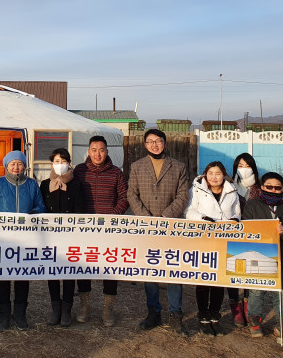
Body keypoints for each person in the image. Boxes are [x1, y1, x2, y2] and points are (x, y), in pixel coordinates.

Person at [127, 129, 190, 336]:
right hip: (147, 228)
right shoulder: (137, 167)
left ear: (165, 143)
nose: (155, 145)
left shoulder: (178, 167)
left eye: (158, 141)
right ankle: (153, 312)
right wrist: (146, 218)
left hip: (171, 227)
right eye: (150, 141)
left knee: (174, 270)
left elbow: (183, 196)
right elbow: (132, 194)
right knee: (150, 270)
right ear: (145, 145)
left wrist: (165, 217)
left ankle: (175, 314)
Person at [0, 150, 46, 331]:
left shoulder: (32, 184)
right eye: (12, 164)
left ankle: (20, 314)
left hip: (26, 238)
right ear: (6, 166)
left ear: (25, 166)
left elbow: (41, 206)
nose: (16, 167)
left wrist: (35, 213)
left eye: (19, 164)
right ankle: (4, 315)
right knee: (3, 277)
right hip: (3, 239)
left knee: (22, 276)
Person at [73, 136, 128, 326]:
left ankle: (107, 308)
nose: (98, 154)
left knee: (110, 266)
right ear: (88, 151)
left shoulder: (116, 173)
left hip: (109, 229)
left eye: (101, 150)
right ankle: (84, 306)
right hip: (84, 228)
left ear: (107, 151)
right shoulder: (79, 171)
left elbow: (124, 197)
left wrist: (112, 216)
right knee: (83, 265)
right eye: (94, 150)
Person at [243, 172, 283, 343]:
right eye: (269, 187)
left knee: (281, 293)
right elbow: (245, 227)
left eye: (277, 188)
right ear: (262, 187)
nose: (273, 190)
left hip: (282, 259)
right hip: (258, 257)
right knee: (257, 291)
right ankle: (254, 320)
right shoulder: (252, 205)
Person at [184, 161, 240, 336]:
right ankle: (203, 316)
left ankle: (215, 316)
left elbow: (237, 212)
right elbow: (188, 211)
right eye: (211, 173)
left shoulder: (232, 191)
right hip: (203, 240)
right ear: (205, 175)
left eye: (218, 173)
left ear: (224, 175)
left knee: (219, 280)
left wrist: (235, 220)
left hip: (224, 240)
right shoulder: (197, 189)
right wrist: (202, 218)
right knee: (204, 279)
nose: (214, 177)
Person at [40, 148, 84, 327]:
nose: (60, 165)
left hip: (69, 236)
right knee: (52, 272)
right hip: (50, 236)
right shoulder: (45, 185)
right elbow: (42, 208)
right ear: (52, 163)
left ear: (69, 163)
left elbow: (80, 211)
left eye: (64, 161)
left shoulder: (77, 185)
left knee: (68, 272)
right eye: (57, 161)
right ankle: (55, 308)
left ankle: (67, 309)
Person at [228, 152, 261, 327]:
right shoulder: (230, 186)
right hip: (233, 236)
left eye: (247, 166)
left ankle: (248, 304)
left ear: (253, 167)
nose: (244, 169)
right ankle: (235, 306)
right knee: (232, 269)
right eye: (240, 166)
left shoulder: (260, 188)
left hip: (253, 236)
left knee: (250, 271)